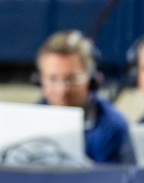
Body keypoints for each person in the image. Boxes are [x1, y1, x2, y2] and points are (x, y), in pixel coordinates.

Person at [35, 30, 133, 164]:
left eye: (71, 79)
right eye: (52, 79)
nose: (62, 90)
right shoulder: (29, 122)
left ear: (92, 80)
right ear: (40, 80)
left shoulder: (113, 126)